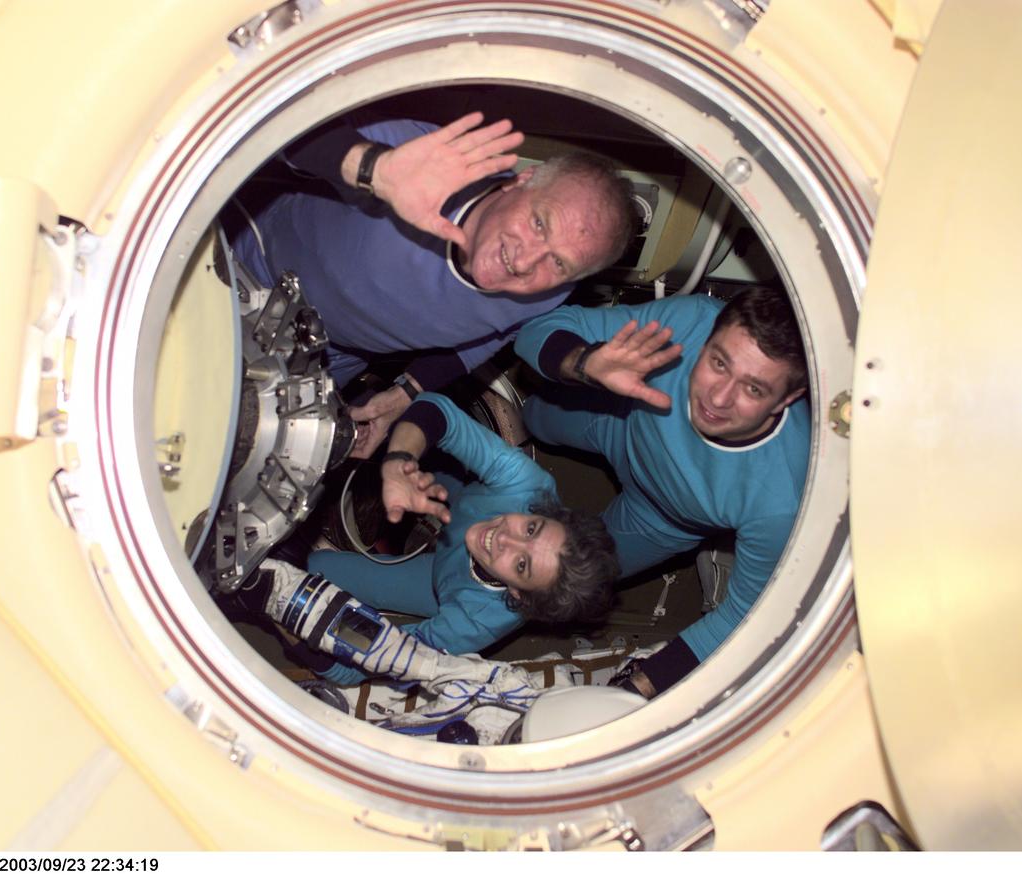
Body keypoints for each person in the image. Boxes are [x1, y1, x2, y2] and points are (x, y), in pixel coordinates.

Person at [222, 110, 637, 458]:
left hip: (320, 360)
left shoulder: (550, 291)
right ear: (521, 181)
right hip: (243, 272)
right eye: (539, 223)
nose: (526, 261)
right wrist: (373, 168)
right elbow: (270, 123)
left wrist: (405, 392)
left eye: (559, 262)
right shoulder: (434, 168)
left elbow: (486, 339)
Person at [513, 286, 810, 698]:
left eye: (754, 389)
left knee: (550, 584)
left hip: (661, 519)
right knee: (532, 416)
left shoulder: (781, 499)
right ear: (707, 338)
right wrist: (585, 363)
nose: (719, 398)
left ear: (790, 397)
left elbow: (745, 616)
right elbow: (539, 330)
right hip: (619, 417)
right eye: (718, 363)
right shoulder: (691, 320)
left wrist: (637, 690)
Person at [293, 392, 619, 687]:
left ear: (518, 595)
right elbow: (439, 412)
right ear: (543, 511)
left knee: (312, 567)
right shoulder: (528, 487)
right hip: (462, 498)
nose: (506, 537)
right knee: (408, 436)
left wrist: (301, 633)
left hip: (439, 583)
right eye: (531, 529)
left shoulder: (476, 619)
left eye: (522, 564)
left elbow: (386, 659)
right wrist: (399, 460)